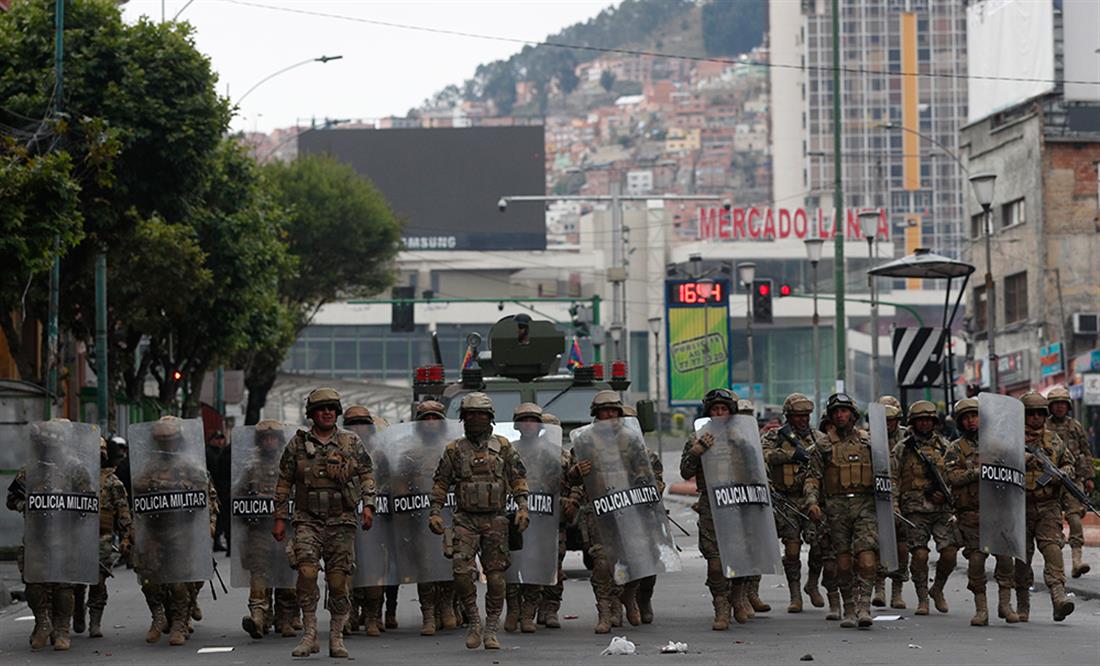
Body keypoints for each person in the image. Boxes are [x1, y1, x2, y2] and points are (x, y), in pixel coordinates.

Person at [273, 387, 376, 658]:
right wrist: (279, 518)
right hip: (307, 520)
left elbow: (367, 474)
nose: (327, 413)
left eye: (331, 408)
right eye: (321, 409)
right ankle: (309, 634)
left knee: (338, 581)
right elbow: (283, 482)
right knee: (306, 574)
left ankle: (336, 637)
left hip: (341, 521)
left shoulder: (351, 442)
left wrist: (369, 505)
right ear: (312, 414)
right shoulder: (297, 444)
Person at [428, 392, 529, 650]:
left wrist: (523, 508)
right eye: (470, 414)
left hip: (495, 520)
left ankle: (491, 627)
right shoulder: (454, 449)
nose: (475, 419)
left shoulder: (503, 446)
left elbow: (518, 478)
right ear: (463, 418)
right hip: (465, 520)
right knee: (461, 573)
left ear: (490, 418)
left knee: (496, 578)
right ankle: (474, 621)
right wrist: (435, 511)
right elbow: (441, 483)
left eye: (480, 414)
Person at [570, 390, 665, 633]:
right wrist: (576, 472)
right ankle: (606, 611)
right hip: (600, 511)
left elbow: (646, 473)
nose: (610, 415)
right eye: (605, 411)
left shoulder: (631, 440)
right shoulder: (584, 441)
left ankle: (629, 597)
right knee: (602, 563)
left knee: (635, 559)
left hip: (630, 509)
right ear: (596, 414)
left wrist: (645, 489)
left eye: (614, 410)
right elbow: (570, 479)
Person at [6, 419, 96, 651]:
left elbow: (89, 502)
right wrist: (26, 506)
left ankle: (62, 629)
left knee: (63, 586)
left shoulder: (75, 468)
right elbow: (11, 499)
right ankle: (42, 623)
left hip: (66, 537)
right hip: (37, 537)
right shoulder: (30, 469)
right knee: (34, 583)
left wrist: (73, 515)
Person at [132, 416, 218, 647]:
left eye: (169, 440)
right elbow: (137, 493)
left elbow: (208, 498)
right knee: (149, 579)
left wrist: (209, 527)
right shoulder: (149, 466)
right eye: (162, 441)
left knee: (180, 581)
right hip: (154, 530)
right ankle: (158, 616)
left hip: (182, 531)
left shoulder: (190, 466)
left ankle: (180, 622)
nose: (166, 445)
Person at [804, 393, 878, 629]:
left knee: (867, 559)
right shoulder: (823, 447)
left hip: (865, 507)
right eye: (836, 412)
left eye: (844, 411)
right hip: (836, 510)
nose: (840, 415)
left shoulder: (869, 443)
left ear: (853, 415)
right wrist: (812, 502)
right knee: (843, 563)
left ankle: (864, 606)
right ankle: (849, 607)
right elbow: (812, 478)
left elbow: (886, 475)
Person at [943, 398, 1018, 626]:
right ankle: (981, 609)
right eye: (966, 418)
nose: (971, 421)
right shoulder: (955, 449)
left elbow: (1014, 473)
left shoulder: (998, 446)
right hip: (971, 515)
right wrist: (978, 472)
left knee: (1005, 560)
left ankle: (1005, 604)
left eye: (974, 416)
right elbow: (952, 477)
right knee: (976, 562)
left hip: (998, 513)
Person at [762, 392, 830, 613]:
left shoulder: (818, 437)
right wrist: (791, 455)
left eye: (806, 416)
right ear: (789, 416)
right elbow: (764, 456)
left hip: (812, 500)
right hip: (786, 500)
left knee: (818, 547)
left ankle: (812, 584)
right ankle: (795, 595)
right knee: (791, 550)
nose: (803, 420)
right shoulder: (775, 436)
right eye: (798, 416)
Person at [680, 388, 742, 629]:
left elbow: (758, 470)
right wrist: (696, 452)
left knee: (740, 558)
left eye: (724, 409)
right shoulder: (697, 438)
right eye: (715, 409)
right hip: (711, 504)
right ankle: (721, 607)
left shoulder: (741, 437)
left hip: (739, 502)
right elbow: (685, 472)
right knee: (715, 563)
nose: (719, 413)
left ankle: (737, 597)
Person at [1015, 391, 1076, 622]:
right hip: (1019, 506)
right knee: (1022, 558)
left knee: (1053, 551)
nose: (1036, 418)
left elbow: (1068, 462)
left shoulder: (1053, 440)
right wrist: (1024, 459)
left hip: (1048, 505)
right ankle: (1022, 603)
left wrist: (1063, 473)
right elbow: (999, 464)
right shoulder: (1011, 440)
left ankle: (1059, 599)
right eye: (1031, 414)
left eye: (1040, 414)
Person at [893, 400, 958, 615]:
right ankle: (922, 597)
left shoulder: (945, 446)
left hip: (941, 510)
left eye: (928, 420)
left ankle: (937, 588)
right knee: (919, 555)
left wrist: (946, 494)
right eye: (920, 420)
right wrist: (895, 505)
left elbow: (954, 475)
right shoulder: (903, 448)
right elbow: (893, 478)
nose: (924, 424)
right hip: (914, 511)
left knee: (949, 553)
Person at [237, 420, 299, 640]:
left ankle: (285, 618)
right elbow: (237, 499)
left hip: (287, 531)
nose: (269, 442)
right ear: (259, 441)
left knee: (286, 574)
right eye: (265, 438)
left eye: (273, 438)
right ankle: (259, 616)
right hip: (259, 532)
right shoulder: (250, 468)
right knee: (259, 573)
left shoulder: (290, 466)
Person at [73, 437, 133, 639]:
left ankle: (95, 621)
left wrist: (126, 537)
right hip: (76, 537)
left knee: (98, 581)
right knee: (76, 582)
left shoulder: (111, 482)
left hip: (102, 537)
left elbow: (123, 512)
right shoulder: (73, 480)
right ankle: (77, 608)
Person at [342, 404, 394, 637]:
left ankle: (373, 616)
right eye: (353, 424)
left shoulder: (380, 455)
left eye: (363, 424)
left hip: (375, 519)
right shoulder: (337, 451)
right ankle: (349, 615)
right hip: (345, 517)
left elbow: (391, 484)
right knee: (346, 569)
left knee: (374, 570)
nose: (358, 428)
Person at [504, 402, 552, 634]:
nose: (528, 424)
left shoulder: (550, 452)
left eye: (533, 420)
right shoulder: (508, 450)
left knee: (535, 564)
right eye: (524, 420)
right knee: (511, 564)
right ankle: (513, 609)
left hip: (542, 517)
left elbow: (562, 479)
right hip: (513, 515)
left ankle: (528, 613)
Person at [1046, 385, 1093, 578]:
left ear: (1068, 406)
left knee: (1074, 518)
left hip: (1072, 480)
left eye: (1062, 404)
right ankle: (1053, 565)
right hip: (1048, 482)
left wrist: (1089, 477)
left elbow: (1086, 452)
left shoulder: (1075, 426)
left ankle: (1076, 561)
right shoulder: (1043, 427)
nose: (1059, 407)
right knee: (1051, 521)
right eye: (1055, 404)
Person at [537, 411, 574, 629]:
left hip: (555, 519)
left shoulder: (565, 458)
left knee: (554, 564)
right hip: (532, 517)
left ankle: (550, 607)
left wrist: (572, 503)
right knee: (529, 561)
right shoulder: (527, 453)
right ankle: (529, 606)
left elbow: (576, 483)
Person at [872, 396, 909, 609]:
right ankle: (879, 586)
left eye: (892, 417)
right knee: (877, 544)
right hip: (878, 497)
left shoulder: (908, 438)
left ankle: (897, 590)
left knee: (902, 547)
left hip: (905, 498)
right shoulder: (869, 438)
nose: (887, 422)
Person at [205, 431, 232, 554]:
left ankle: (218, 541)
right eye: (217, 439)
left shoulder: (222, 451)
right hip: (216, 489)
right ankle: (216, 541)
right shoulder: (209, 452)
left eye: (221, 439)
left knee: (222, 518)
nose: (220, 441)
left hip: (222, 489)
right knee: (218, 516)